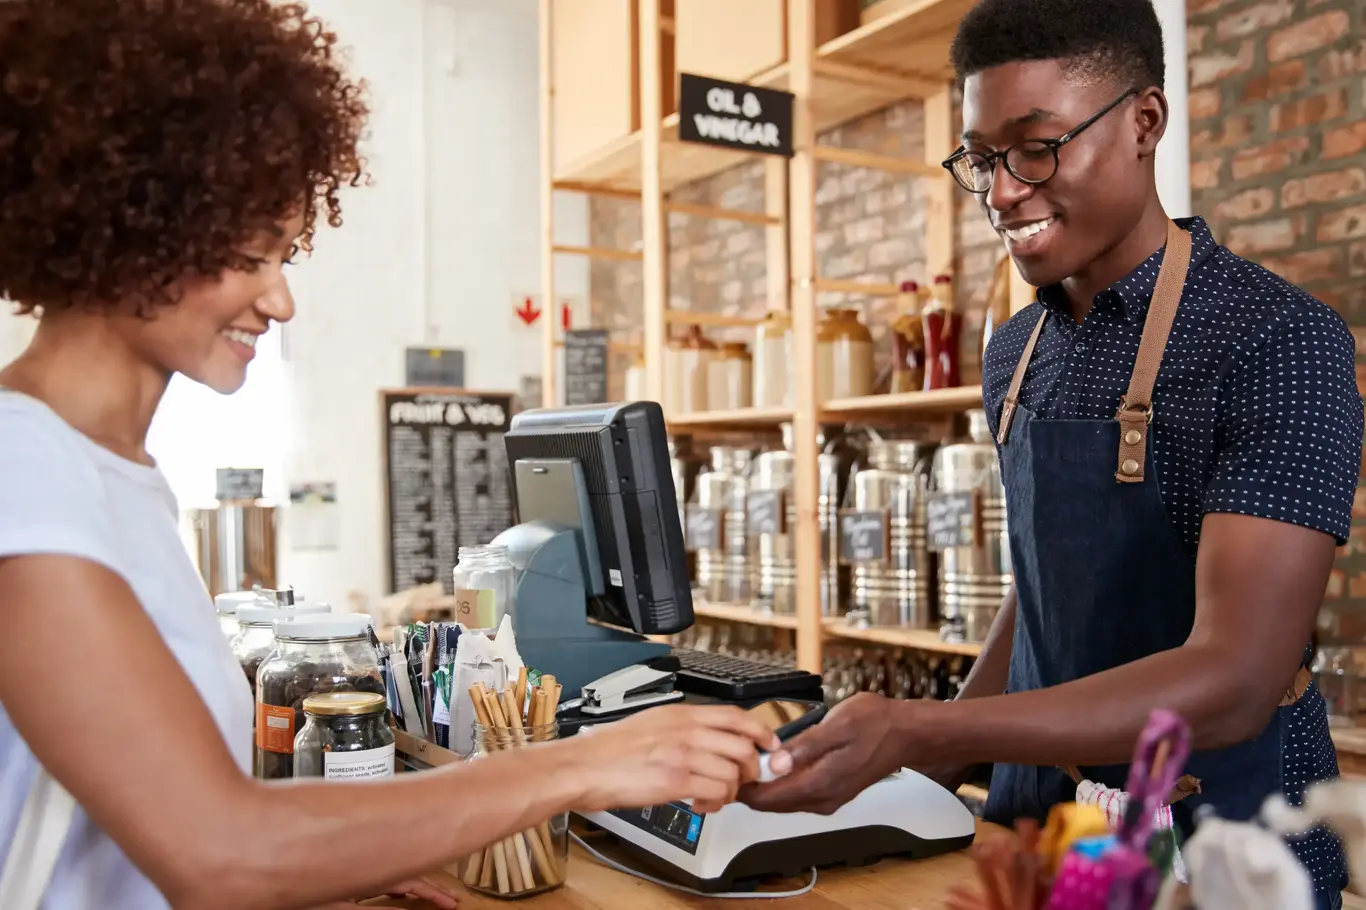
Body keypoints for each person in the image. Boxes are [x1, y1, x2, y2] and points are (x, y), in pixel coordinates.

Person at [0, 2, 789, 909]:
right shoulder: (24, 470)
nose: (281, 299)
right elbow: (218, 851)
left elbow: (156, 820)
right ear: (125, 221)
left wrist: (344, 862)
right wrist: (580, 766)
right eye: (250, 254)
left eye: (284, 252)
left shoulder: (112, 475)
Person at [740, 1, 1362, 907]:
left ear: (1145, 121)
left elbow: (1237, 676)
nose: (1000, 190)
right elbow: (1039, 591)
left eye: (1036, 147)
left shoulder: (1277, 339)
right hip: (1046, 812)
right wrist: (931, 764)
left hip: (1224, 825)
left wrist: (922, 734)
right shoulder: (1012, 351)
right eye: (981, 158)